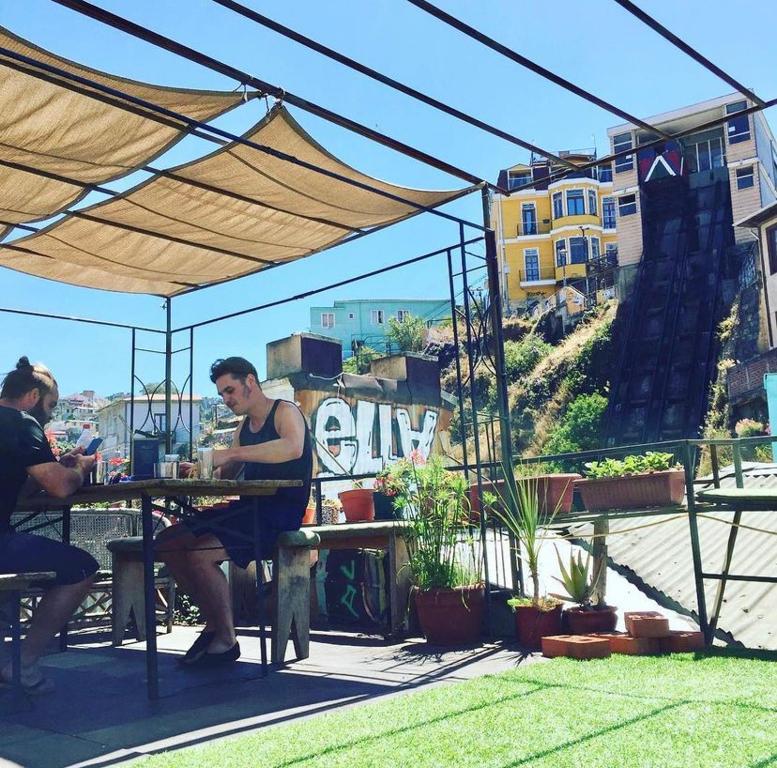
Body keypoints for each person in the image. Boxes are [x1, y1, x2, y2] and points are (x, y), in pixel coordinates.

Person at [157, 356, 312, 667]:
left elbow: (293, 447)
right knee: (167, 542)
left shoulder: (285, 411)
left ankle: (226, 639)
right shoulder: (244, 427)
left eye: (230, 390)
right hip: (247, 509)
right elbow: (227, 475)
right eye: (222, 394)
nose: (226, 399)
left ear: (250, 382)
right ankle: (214, 623)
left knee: (200, 554)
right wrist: (199, 470)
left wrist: (230, 453)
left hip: (278, 515)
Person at [0, 357, 99, 693]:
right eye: (52, 405)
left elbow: (19, 486)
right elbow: (61, 488)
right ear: (32, 397)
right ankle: (23, 665)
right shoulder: (21, 423)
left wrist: (53, 466)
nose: (51, 414)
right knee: (81, 568)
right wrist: (80, 468)